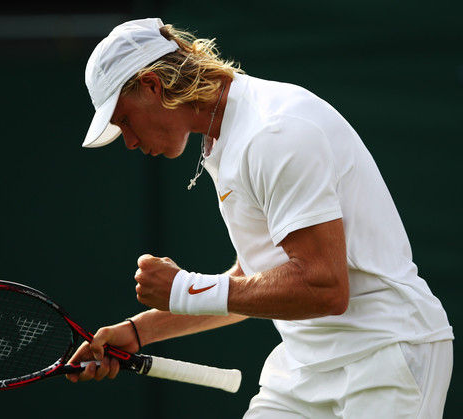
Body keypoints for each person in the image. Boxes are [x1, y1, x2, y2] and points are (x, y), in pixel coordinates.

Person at [68, 17, 454, 418]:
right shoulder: (224, 136)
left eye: (125, 120)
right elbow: (260, 279)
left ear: (152, 85)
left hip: (386, 357)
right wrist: (138, 331)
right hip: (304, 369)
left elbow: (325, 287)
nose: (129, 141)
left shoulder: (273, 132)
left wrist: (186, 288)